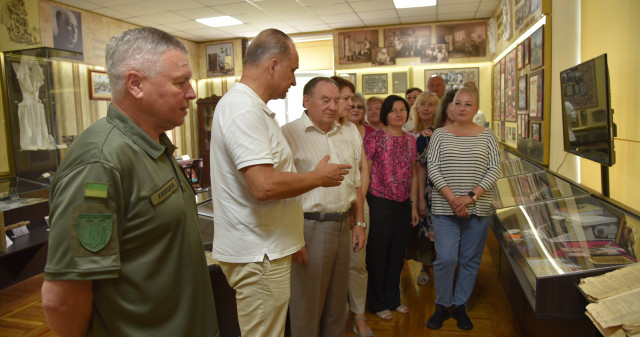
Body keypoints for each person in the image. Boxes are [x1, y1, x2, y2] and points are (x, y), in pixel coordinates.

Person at [41, 27, 218, 336]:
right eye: (180, 82)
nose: (191, 92)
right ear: (135, 84)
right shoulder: (101, 163)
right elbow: (63, 298)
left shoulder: (154, 145)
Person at [210, 28, 351, 337]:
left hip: (269, 247)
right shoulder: (243, 109)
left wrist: (292, 239)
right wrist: (318, 178)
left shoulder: (253, 109)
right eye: (292, 70)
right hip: (258, 253)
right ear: (273, 65)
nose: (293, 81)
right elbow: (264, 186)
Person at [282, 77, 366, 337]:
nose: (332, 106)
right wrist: (294, 237)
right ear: (306, 101)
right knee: (307, 307)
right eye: (325, 100)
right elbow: (283, 192)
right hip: (310, 228)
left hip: (344, 224)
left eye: (336, 100)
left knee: (336, 307)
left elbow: (355, 183)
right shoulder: (289, 134)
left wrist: (359, 223)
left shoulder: (347, 133)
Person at [426, 86, 501, 331]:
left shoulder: (487, 136)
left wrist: (469, 197)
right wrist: (453, 199)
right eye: (458, 103)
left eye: (468, 104)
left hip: (477, 209)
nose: (462, 108)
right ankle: (441, 304)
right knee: (446, 258)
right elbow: (433, 169)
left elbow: (494, 169)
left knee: (469, 260)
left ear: (476, 109)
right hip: (444, 208)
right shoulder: (439, 134)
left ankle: (460, 305)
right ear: (451, 107)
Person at [364, 95, 419, 321]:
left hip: (403, 204)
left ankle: (393, 298)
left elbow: (414, 175)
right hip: (379, 202)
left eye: (402, 110)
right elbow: (364, 173)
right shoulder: (374, 139)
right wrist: (362, 206)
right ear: (386, 114)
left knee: (398, 255)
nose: (399, 114)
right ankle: (376, 303)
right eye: (394, 110)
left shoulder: (411, 140)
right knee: (378, 255)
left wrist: (414, 206)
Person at [330, 77, 374, 337]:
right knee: (330, 269)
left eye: (352, 98)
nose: (351, 103)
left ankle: (359, 316)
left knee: (357, 264)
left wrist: (357, 209)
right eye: (345, 99)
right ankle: (335, 317)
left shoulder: (353, 129)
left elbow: (362, 170)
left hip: (356, 207)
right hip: (327, 212)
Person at [406, 92, 440, 286]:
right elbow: (418, 169)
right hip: (418, 187)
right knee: (424, 230)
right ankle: (426, 266)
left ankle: (444, 270)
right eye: (422, 104)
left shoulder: (441, 132)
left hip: (439, 189)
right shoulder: (411, 131)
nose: (426, 108)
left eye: (431, 105)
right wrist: (419, 199)